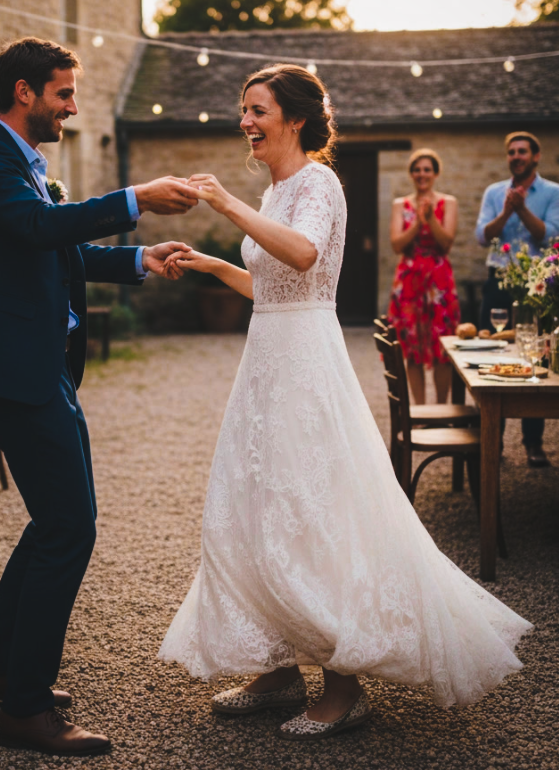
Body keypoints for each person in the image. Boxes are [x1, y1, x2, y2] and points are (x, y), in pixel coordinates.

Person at [158, 64, 532, 742]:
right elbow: (271, 285)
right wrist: (215, 266)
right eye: (243, 110)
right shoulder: (273, 191)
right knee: (256, 506)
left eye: (257, 110)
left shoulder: (318, 182)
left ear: (293, 119)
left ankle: (343, 683)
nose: (246, 122)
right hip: (265, 362)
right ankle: (275, 669)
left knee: (311, 510)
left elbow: (303, 257)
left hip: (306, 365)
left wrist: (225, 207)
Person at [0, 37, 198, 756]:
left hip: (41, 366)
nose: (72, 106)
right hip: (13, 371)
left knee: (53, 522)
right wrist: (133, 200)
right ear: (24, 93)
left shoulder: (25, 165)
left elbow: (58, 248)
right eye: (63, 93)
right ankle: (25, 709)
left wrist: (140, 259)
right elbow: (37, 226)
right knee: (69, 527)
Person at [476, 131, 559, 468]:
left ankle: (533, 443)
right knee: (491, 350)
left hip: (538, 284)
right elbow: (482, 236)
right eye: (511, 151)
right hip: (498, 281)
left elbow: (550, 234)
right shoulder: (494, 193)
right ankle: (492, 440)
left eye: (522, 151)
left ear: (536, 156)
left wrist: (522, 209)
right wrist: (507, 211)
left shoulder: (553, 192)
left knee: (535, 357)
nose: (516, 156)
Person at [386, 149, 459, 405]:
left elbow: (446, 243)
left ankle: (441, 408)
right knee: (412, 348)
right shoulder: (400, 205)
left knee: (441, 346)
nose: (422, 174)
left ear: (435, 173)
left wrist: (431, 220)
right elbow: (396, 245)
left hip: (438, 282)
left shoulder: (448, 202)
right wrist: (417, 223)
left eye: (427, 169)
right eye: (417, 169)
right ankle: (419, 410)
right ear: (411, 174)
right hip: (409, 281)